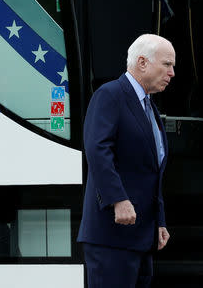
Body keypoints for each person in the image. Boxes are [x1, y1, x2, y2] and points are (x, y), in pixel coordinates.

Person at [77, 34, 175, 288]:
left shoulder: (148, 106)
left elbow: (151, 169)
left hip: (140, 236)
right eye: (167, 64)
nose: (172, 73)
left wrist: (159, 220)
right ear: (142, 62)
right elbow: (98, 150)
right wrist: (118, 199)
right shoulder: (110, 94)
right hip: (111, 235)